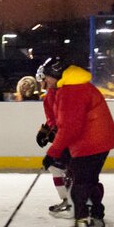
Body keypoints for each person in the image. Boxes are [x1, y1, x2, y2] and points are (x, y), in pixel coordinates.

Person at [42, 57, 114, 227]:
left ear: (55, 74)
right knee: (88, 181)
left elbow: (70, 127)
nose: (46, 81)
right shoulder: (74, 86)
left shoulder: (71, 91)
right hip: (97, 142)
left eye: (47, 77)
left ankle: (82, 224)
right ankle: (96, 218)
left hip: (90, 143)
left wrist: (52, 152)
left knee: (79, 184)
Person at [34, 58, 71, 217]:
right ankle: (69, 200)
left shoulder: (63, 93)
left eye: (44, 79)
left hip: (70, 139)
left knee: (67, 170)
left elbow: (66, 120)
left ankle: (72, 202)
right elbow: (53, 119)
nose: (43, 82)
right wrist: (47, 130)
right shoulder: (49, 96)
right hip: (64, 138)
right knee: (57, 168)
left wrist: (56, 132)